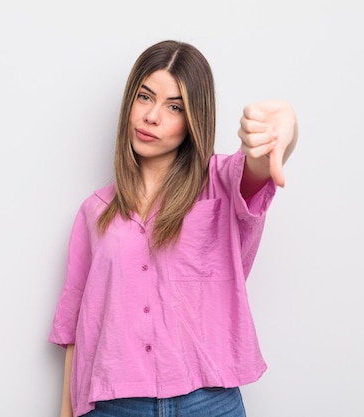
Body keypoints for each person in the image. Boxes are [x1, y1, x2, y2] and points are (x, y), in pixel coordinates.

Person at [49, 39, 298, 417]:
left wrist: (283, 131)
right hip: (116, 407)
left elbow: (258, 166)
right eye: (145, 97)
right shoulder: (94, 213)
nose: (152, 116)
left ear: (193, 119)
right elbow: (76, 331)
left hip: (209, 403)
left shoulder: (220, 184)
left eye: (174, 106)